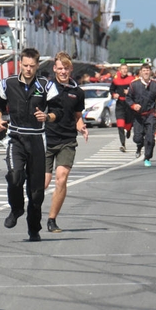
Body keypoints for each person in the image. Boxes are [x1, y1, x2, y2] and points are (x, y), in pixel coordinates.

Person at [0, 48, 60, 242]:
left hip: (37, 139)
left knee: (36, 191)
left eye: (32, 66)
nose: (28, 69)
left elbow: (58, 110)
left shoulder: (46, 85)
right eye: (25, 65)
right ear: (20, 64)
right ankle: (16, 209)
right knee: (14, 176)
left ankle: (34, 229)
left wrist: (48, 116)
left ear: (37, 66)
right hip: (16, 137)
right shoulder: (8, 83)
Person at [44, 52, 88, 233]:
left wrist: (82, 126)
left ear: (71, 69)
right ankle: (32, 213)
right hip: (45, 139)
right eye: (60, 68)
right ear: (54, 69)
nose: (63, 71)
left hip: (67, 140)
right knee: (43, 184)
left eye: (66, 68)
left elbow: (77, 117)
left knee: (61, 179)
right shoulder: (46, 88)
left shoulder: (77, 92)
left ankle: (52, 219)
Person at [126, 63, 156, 167]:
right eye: (144, 70)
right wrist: (133, 105)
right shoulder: (134, 85)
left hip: (150, 115)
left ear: (151, 72)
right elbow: (128, 98)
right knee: (137, 138)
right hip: (138, 116)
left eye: (148, 70)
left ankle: (147, 157)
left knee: (150, 138)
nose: (146, 72)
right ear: (140, 72)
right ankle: (139, 146)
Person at [109, 64, 135, 153]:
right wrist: (114, 95)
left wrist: (129, 92)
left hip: (128, 104)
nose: (124, 70)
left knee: (128, 124)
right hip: (120, 104)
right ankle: (123, 144)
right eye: (122, 69)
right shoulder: (116, 79)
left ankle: (128, 130)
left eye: (126, 69)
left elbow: (136, 90)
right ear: (119, 70)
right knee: (120, 125)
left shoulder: (131, 79)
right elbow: (111, 89)